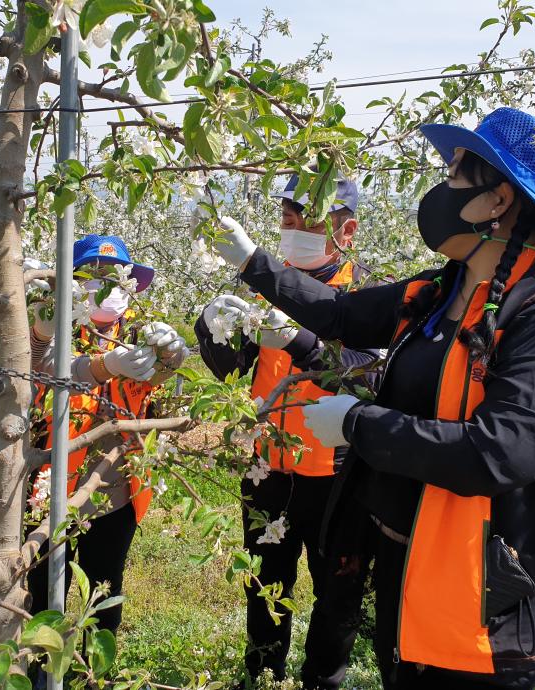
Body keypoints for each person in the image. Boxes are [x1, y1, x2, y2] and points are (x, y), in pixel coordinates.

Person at [209, 108, 535, 689]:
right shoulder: (440, 290)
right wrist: (254, 262)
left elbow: (499, 453)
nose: (440, 191)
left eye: (454, 176)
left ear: (498, 200)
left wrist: (358, 425)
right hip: (409, 571)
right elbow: (341, 314)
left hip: (484, 610)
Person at [194, 178, 382, 689]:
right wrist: (212, 330)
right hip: (268, 469)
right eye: (287, 215)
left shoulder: (367, 293)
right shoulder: (266, 285)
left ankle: (321, 681)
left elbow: (370, 377)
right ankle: (263, 674)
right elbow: (235, 371)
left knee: (338, 591)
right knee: (264, 581)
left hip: (337, 475)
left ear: (347, 229)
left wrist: (301, 340)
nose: (292, 224)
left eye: (308, 216)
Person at [26, 234, 189, 637]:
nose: (106, 287)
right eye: (93, 277)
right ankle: (43, 661)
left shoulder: (142, 334)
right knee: (44, 587)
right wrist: (106, 364)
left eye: (117, 278)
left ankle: (95, 663)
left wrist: (172, 357)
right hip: (50, 486)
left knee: (105, 587)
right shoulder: (50, 326)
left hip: (116, 489)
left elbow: (160, 391)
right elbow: (44, 372)